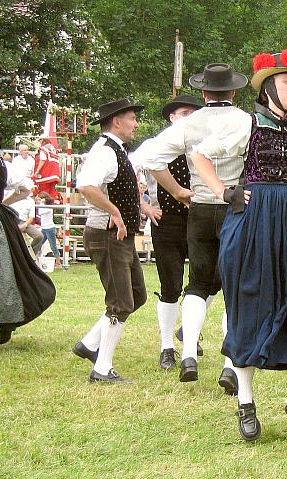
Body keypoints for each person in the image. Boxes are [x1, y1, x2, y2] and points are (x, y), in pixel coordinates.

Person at [189, 48, 287, 441]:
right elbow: (200, 156)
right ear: (268, 88)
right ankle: (245, 401)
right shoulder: (246, 126)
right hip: (255, 221)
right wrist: (226, 192)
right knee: (250, 302)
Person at [135, 64, 247, 393]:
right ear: (233, 92)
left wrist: (177, 191)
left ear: (203, 93)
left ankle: (187, 355)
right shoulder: (243, 119)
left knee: (198, 283)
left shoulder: (189, 123)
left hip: (198, 207)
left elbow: (152, 159)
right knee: (233, 287)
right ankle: (229, 364)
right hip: (233, 206)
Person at [71, 98, 150, 383]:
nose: (136, 124)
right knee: (121, 301)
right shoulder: (105, 152)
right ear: (117, 121)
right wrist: (116, 213)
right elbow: (86, 186)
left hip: (118, 236)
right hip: (107, 234)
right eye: (132, 118)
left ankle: (90, 343)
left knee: (136, 295)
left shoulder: (115, 151)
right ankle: (102, 368)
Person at [0, 116, 55, 348]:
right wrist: (2, 201)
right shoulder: (3, 164)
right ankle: (8, 321)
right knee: (5, 272)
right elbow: (26, 189)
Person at [129, 94, 204, 373]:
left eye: (193, 114)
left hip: (199, 219)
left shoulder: (202, 144)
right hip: (167, 221)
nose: (189, 118)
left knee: (205, 281)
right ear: (172, 117)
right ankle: (166, 347)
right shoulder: (155, 145)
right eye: (184, 113)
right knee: (170, 285)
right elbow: (126, 170)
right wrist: (144, 205)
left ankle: (189, 334)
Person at [37, 191, 62, 268]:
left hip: (50, 228)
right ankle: (37, 260)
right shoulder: (43, 206)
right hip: (44, 228)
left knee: (53, 246)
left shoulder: (49, 207)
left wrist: (40, 203)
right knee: (39, 245)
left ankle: (58, 263)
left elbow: (40, 212)